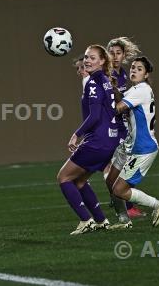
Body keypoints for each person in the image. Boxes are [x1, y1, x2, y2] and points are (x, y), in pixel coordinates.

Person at [57, 45, 119, 235]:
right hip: (109, 141)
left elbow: (94, 116)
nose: (87, 60)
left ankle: (86, 220)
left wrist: (77, 134)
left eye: (92, 57)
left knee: (64, 177)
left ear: (102, 61)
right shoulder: (105, 80)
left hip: (97, 141)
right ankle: (101, 220)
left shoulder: (93, 82)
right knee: (80, 181)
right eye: (86, 57)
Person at [106, 57, 159, 229]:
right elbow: (121, 99)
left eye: (139, 69)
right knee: (111, 180)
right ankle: (123, 221)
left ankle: (157, 204)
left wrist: (104, 95)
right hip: (132, 145)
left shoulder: (141, 90)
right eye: (132, 67)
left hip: (143, 148)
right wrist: (113, 87)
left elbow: (118, 108)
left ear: (146, 74)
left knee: (119, 189)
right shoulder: (138, 89)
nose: (133, 70)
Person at [105, 37, 146, 218]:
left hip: (120, 125)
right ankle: (125, 207)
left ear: (124, 55)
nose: (114, 56)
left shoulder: (122, 74)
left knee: (119, 167)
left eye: (118, 53)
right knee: (119, 168)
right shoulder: (106, 74)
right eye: (111, 53)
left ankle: (119, 201)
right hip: (108, 126)